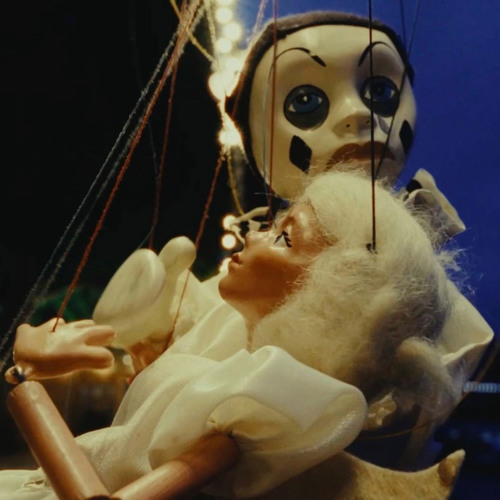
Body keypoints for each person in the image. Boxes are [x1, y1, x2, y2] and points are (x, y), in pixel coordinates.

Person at [2, 171, 468, 498]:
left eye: (284, 238)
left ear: (331, 295)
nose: (254, 236)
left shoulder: (252, 408)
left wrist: (25, 379)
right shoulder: (222, 367)